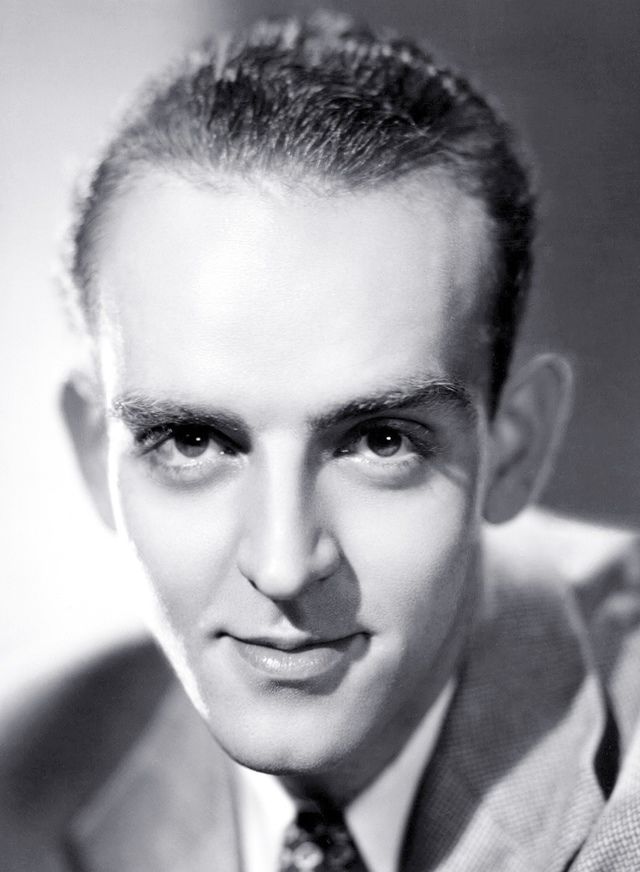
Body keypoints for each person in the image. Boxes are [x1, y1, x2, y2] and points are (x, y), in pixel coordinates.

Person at [3, 11, 640, 872]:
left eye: (380, 441)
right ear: (93, 453)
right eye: (191, 441)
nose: (284, 565)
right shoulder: (21, 779)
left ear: (515, 449)